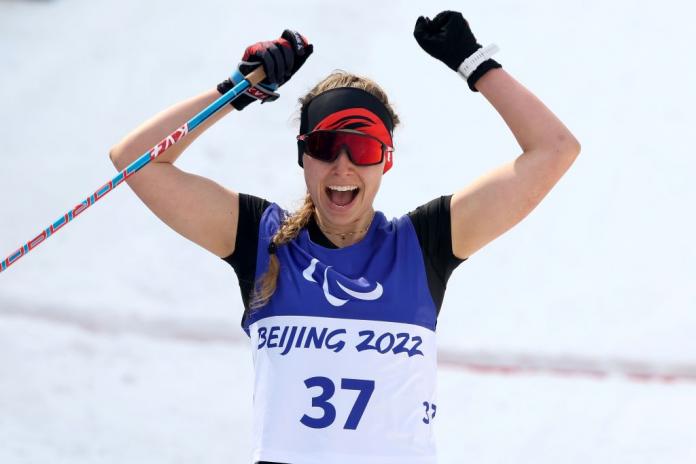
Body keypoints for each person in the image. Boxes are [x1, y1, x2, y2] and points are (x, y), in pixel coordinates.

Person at [109, 11, 580, 464]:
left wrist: (476, 64)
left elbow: (555, 150)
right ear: (302, 156)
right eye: (323, 146)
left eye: (362, 148)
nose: (342, 166)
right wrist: (238, 89)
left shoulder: (422, 245)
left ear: (385, 160)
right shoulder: (264, 241)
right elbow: (136, 159)